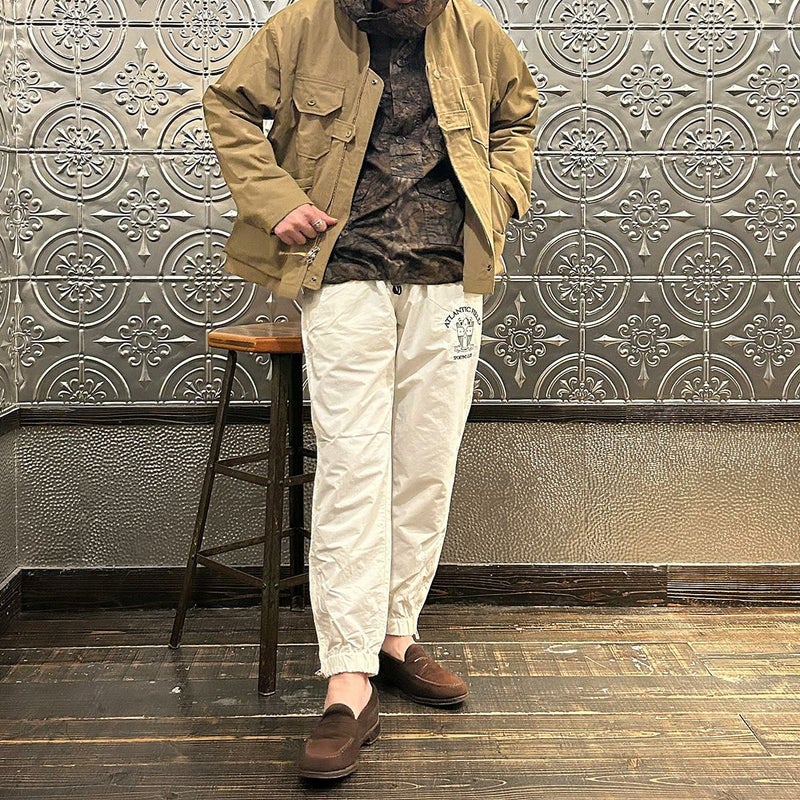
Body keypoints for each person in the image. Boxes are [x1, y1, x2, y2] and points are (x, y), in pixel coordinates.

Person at [203, 0, 539, 780]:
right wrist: (276, 202)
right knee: (353, 470)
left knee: (426, 466)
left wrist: (500, 195)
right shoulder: (301, 25)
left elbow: (517, 118)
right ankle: (348, 678)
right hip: (343, 276)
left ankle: (395, 634)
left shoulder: (472, 27)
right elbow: (228, 105)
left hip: (450, 281)